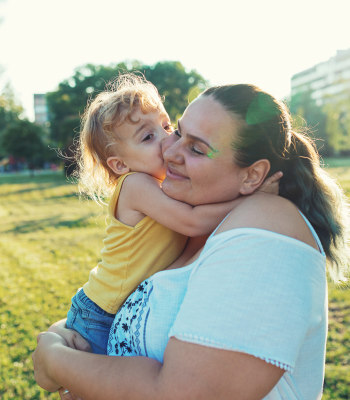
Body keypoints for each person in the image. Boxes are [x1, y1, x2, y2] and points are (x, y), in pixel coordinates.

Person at [33, 83, 349, 400]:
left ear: (252, 177)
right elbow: (134, 309)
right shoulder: (188, 230)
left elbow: (184, 393)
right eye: (179, 133)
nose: (169, 151)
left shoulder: (268, 224)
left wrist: (58, 360)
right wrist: (62, 335)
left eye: (196, 149)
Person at [62, 74, 248, 355]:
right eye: (148, 137)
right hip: (100, 313)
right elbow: (192, 221)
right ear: (120, 164)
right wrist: (247, 197)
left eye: (166, 126)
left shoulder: (161, 185)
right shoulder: (136, 185)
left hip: (118, 306)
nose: (165, 140)